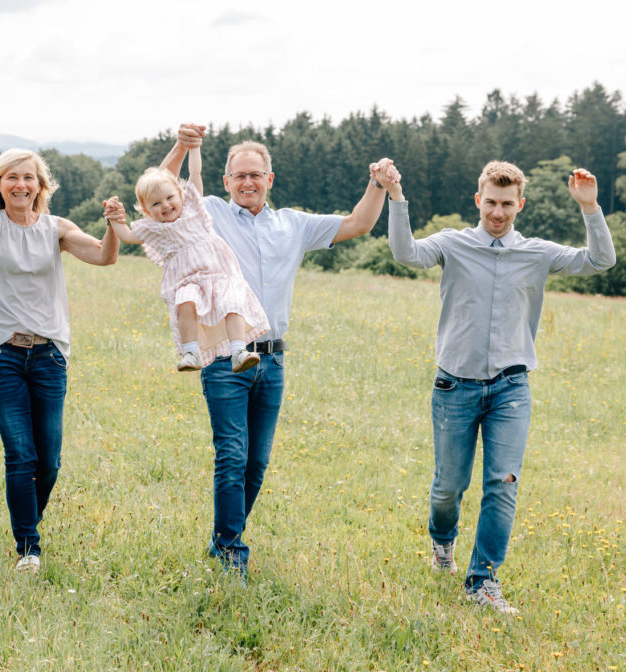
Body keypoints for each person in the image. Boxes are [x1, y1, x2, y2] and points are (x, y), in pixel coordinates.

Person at [154, 124, 395, 581]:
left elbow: (358, 224)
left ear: (270, 178)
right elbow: (159, 188)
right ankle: (230, 556)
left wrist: (377, 184)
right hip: (225, 356)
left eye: (256, 174)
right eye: (239, 175)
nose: (247, 182)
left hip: (274, 360)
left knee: (256, 463)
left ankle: (223, 537)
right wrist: (183, 148)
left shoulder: (294, 224)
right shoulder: (209, 216)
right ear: (226, 182)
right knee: (232, 454)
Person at [384, 161, 615, 615]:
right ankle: (443, 543)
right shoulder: (452, 243)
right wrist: (395, 196)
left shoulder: (537, 252)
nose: (498, 211)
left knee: (503, 483)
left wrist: (590, 208)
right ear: (478, 200)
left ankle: (482, 580)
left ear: (519, 205)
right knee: (449, 486)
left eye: (507, 204)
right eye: (491, 202)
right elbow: (406, 254)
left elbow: (600, 261)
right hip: (454, 385)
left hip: (511, 387)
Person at [0, 101, 120, 574]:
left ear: (40, 186)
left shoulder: (57, 229)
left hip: (49, 357)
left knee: (49, 462)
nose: (20, 185)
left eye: (29, 178)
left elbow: (106, 257)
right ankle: (28, 548)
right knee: (19, 453)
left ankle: (27, 517)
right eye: (11, 178)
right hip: (3, 354)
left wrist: (111, 224)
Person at [105, 145, 268, 372]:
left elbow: (195, 174)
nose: (166, 205)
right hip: (186, 281)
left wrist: (195, 148)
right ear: (146, 210)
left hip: (219, 274)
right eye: (156, 203)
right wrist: (114, 217)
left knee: (232, 305)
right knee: (185, 304)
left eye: (170, 197)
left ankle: (239, 350)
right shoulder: (156, 230)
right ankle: (191, 352)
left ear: (181, 195)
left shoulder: (194, 210)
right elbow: (127, 236)